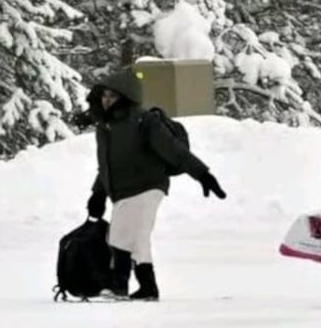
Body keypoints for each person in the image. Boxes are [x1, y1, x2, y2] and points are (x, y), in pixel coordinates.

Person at [72, 68, 227, 302]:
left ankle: (118, 286)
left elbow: (174, 151)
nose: (107, 100)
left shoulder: (144, 121)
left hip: (147, 185)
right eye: (104, 95)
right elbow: (106, 165)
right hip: (123, 189)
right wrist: (98, 195)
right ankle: (148, 287)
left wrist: (203, 174)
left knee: (120, 235)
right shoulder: (106, 127)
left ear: (125, 96)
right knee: (138, 238)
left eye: (112, 96)